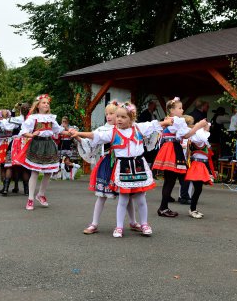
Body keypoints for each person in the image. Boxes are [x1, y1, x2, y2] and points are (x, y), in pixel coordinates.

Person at [72, 101, 172, 237]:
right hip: (123, 167)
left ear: (131, 119)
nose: (118, 119)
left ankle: (144, 224)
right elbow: (96, 136)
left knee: (141, 198)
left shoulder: (139, 128)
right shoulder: (112, 132)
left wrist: (166, 122)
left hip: (138, 166)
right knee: (123, 199)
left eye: (123, 117)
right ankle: (119, 227)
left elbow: (153, 125)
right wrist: (78, 133)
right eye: (117, 116)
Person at [153, 97, 208, 217]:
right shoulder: (177, 120)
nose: (182, 110)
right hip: (172, 149)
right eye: (180, 108)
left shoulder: (170, 120)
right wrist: (198, 126)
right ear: (171, 110)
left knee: (170, 181)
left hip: (170, 148)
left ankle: (164, 207)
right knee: (172, 181)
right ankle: (165, 207)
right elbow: (187, 135)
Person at [14, 94, 69, 211]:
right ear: (38, 105)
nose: (46, 104)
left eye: (48, 103)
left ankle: (41, 194)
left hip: (49, 145)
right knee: (35, 172)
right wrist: (32, 134)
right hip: (37, 145)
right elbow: (23, 132)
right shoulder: (33, 118)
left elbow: (58, 131)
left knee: (49, 172)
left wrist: (70, 132)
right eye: (44, 102)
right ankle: (30, 199)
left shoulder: (51, 118)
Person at [184, 122, 215, 219]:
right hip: (197, 165)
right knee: (197, 188)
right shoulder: (198, 138)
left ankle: (193, 208)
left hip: (202, 165)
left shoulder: (202, 138)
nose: (208, 128)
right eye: (207, 126)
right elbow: (201, 138)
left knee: (198, 188)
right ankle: (192, 209)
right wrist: (200, 128)